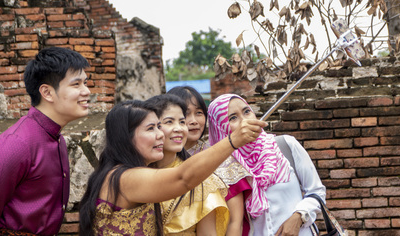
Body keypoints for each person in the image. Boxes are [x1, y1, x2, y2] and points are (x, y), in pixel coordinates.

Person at [78, 99, 267, 236]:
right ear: (126, 137)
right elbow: (182, 178)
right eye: (151, 128)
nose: (160, 135)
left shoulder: (120, 173)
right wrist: (233, 141)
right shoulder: (124, 178)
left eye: (159, 127)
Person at [0, 47, 91, 236]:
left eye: (85, 82)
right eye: (76, 84)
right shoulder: (15, 145)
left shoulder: (56, 139)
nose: (86, 91)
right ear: (47, 92)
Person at [208, 94, 326, 236]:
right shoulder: (224, 170)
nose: (245, 120)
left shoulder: (285, 145)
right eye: (233, 118)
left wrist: (298, 217)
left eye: (247, 111)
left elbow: (317, 191)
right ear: (220, 127)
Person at [168, 86, 253, 235]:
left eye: (199, 113)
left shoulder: (223, 160)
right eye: (186, 114)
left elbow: (235, 222)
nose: (194, 121)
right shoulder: (161, 161)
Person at [148, 94, 229, 235]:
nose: (179, 128)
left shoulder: (201, 180)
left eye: (181, 122)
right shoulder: (135, 174)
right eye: (169, 122)